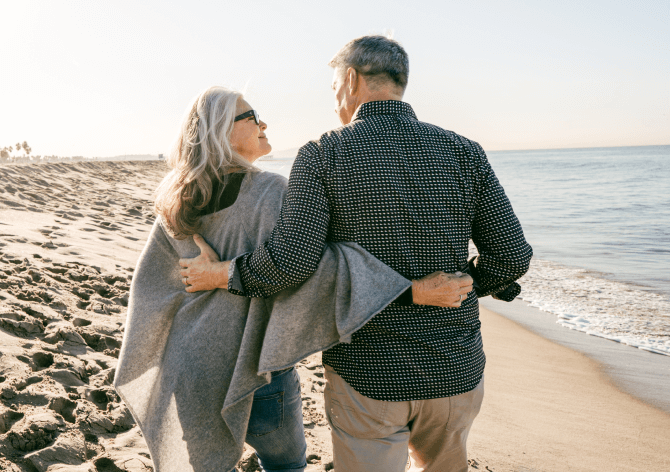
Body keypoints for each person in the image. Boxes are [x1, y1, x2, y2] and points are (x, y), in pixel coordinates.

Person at [180, 36, 533, 472]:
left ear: (350, 80)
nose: (334, 102)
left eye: (333, 89)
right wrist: (467, 286)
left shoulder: (323, 154)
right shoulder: (464, 151)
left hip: (368, 371)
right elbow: (512, 257)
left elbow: (290, 264)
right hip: (454, 367)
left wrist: (221, 274)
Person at [114, 86, 474, 472]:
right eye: (250, 117)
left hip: (189, 366)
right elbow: (311, 270)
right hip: (254, 370)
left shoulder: (175, 197)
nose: (262, 123)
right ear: (221, 131)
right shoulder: (270, 191)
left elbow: (151, 287)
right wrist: (410, 290)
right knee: (285, 465)